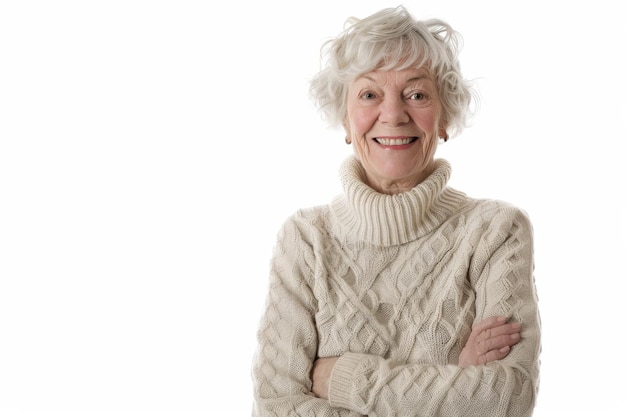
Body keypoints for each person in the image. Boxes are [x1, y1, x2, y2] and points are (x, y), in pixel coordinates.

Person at [251, 5, 540, 417]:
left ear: (444, 116)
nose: (393, 114)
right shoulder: (305, 239)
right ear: (346, 122)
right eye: (369, 94)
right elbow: (277, 406)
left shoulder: (496, 232)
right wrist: (454, 378)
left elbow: (507, 398)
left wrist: (339, 379)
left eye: (417, 94)